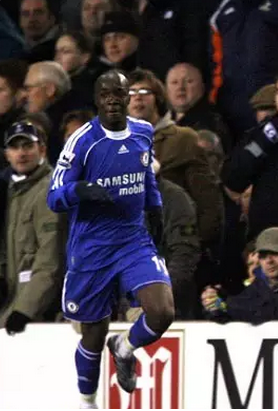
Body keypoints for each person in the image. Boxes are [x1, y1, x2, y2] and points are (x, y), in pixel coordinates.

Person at [46, 70, 175, 409]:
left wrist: (155, 209)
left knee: (162, 312)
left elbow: (146, 175)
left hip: (133, 240)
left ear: (128, 96)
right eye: (106, 95)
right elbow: (53, 197)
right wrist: (79, 190)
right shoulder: (82, 142)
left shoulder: (143, 132)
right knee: (93, 334)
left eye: (119, 93)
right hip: (92, 248)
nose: (113, 100)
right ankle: (87, 400)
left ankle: (125, 347)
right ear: (97, 99)